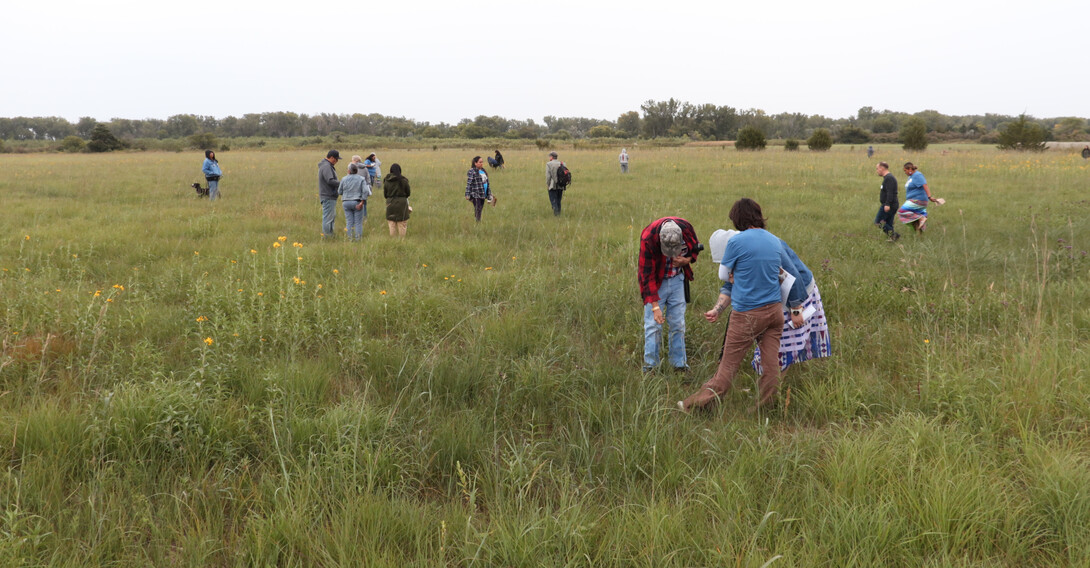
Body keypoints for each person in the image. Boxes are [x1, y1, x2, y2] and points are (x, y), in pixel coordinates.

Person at [679, 198, 793, 413]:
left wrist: (733, 275)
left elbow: (723, 274)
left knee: (727, 367)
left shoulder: (737, 242)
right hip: (775, 312)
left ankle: (693, 406)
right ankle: (763, 408)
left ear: (738, 219)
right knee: (771, 367)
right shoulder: (774, 240)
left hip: (748, 314)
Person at [638, 217, 701, 373]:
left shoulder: (686, 228)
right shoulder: (648, 238)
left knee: (678, 323)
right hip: (657, 283)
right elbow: (646, 276)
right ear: (660, 240)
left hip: (677, 280)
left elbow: (695, 250)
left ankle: (679, 364)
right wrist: (655, 307)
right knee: (653, 325)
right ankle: (651, 367)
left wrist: (686, 261)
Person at [897, 162, 943, 232]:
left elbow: (925, 185)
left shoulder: (917, 175)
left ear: (909, 169)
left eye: (905, 170)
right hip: (914, 200)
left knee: (902, 211)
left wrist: (929, 197)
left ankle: (921, 218)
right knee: (915, 223)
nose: (905, 172)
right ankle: (919, 235)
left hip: (918, 200)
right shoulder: (911, 177)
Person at [338, 163, 372, 241]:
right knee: (358, 223)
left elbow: (339, 191)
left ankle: (349, 238)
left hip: (346, 202)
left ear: (349, 171)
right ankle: (358, 239)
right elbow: (365, 191)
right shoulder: (361, 179)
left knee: (349, 222)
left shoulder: (344, 179)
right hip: (357, 202)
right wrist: (362, 202)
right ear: (356, 170)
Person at [318, 150, 341, 238]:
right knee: (328, 218)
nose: (337, 161)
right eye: (336, 159)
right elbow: (330, 180)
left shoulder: (326, 165)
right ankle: (327, 236)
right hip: (328, 195)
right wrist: (341, 183)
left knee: (331, 217)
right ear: (331, 158)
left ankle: (330, 235)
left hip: (329, 195)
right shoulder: (326, 166)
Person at [874, 162, 901, 241]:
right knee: (888, 223)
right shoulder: (887, 178)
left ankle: (894, 235)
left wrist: (887, 204)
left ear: (882, 168)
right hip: (891, 204)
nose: (877, 171)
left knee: (878, 222)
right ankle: (892, 239)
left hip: (889, 205)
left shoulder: (889, 178)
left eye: (877, 169)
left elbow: (890, 192)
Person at [384, 163, 411, 237]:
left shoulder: (387, 180)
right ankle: (402, 241)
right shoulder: (404, 180)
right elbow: (408, 193)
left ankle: (393, 241)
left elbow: (385, 195)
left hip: (390, 202)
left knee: (391, 223)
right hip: (402, 203)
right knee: (402, 223)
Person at [465, 155, 491, 222]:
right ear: (475, 163)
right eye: (480, 162)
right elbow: (469, 183)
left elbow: (487, 184)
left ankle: (478, 221)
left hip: (483, 194)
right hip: (476, 194)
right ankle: (478, 223)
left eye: (482, 162)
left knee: (480, 209)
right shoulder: (472, 171)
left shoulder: (483, 171)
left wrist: (489, 195)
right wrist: (467, 194)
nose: (481, 163)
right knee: (478, 209)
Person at [545, 151, 565, 216]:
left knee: (553, 201)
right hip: (561, 185)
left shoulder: (549, 164)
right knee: (559, 201)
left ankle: (556, 215)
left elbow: (548, 176)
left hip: (552, 186)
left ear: (551, 157)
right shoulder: (562, 164)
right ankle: (559, 214)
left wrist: (548, 184)